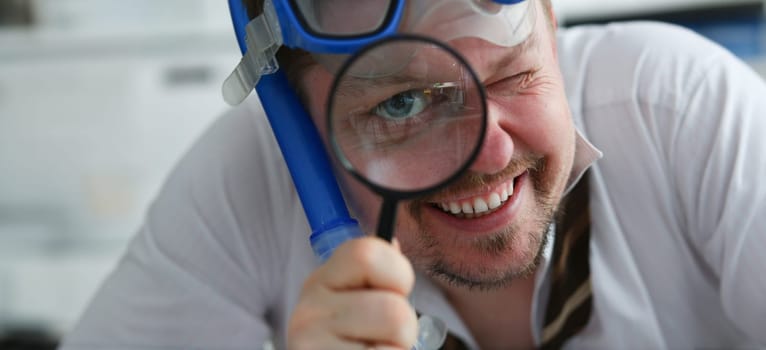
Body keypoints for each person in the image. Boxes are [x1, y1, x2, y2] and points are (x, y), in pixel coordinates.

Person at [60, 0, 766, 349]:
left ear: (551, 21)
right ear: (298, 120)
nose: (489, 154)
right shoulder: (243, 185)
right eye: (402, 104)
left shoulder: (680, 108)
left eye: (517, 71)